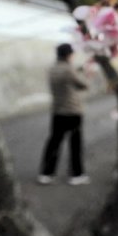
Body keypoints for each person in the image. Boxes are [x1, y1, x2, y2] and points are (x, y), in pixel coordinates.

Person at [37, 43, 91, 186]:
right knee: (75, 144)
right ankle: (76, 174)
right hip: (73, 112)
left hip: (57, 111)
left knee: (54, 142)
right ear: (68, 55)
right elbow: (83, 85)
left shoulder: (52, 69)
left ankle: (46, 173)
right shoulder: (69, 70)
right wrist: (83, 72)